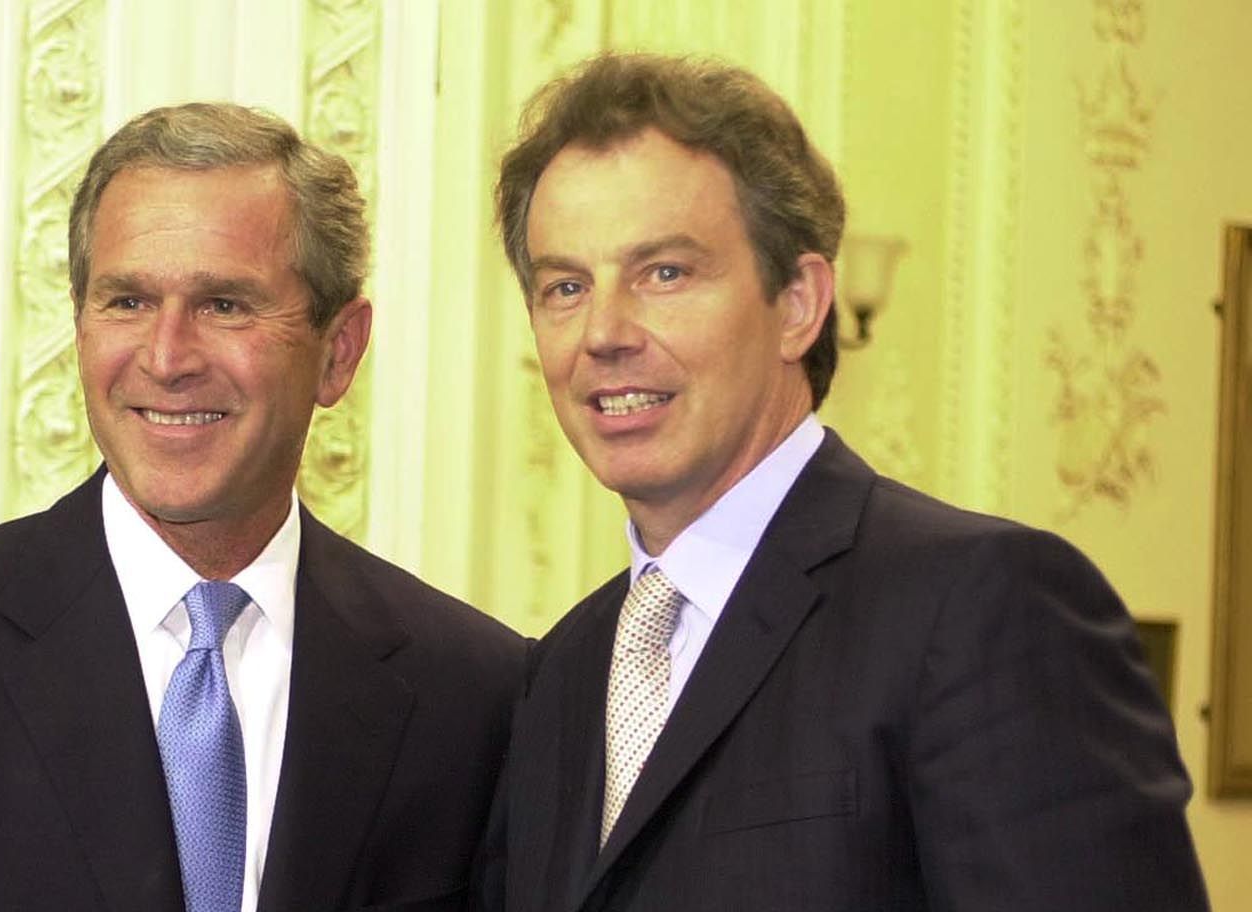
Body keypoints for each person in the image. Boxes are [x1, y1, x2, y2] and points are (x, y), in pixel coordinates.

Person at [0, 102, 525, 912]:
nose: (167, 357)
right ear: (78, 325)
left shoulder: (473, 692)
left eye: (224, 305)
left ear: (337, 353)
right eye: (127, 302)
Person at [474, 53, 1208, 911]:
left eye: (664, 273)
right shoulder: (559, 672)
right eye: (565, 286)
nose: (603, 332)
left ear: (798, 303)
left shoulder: (985, 609)